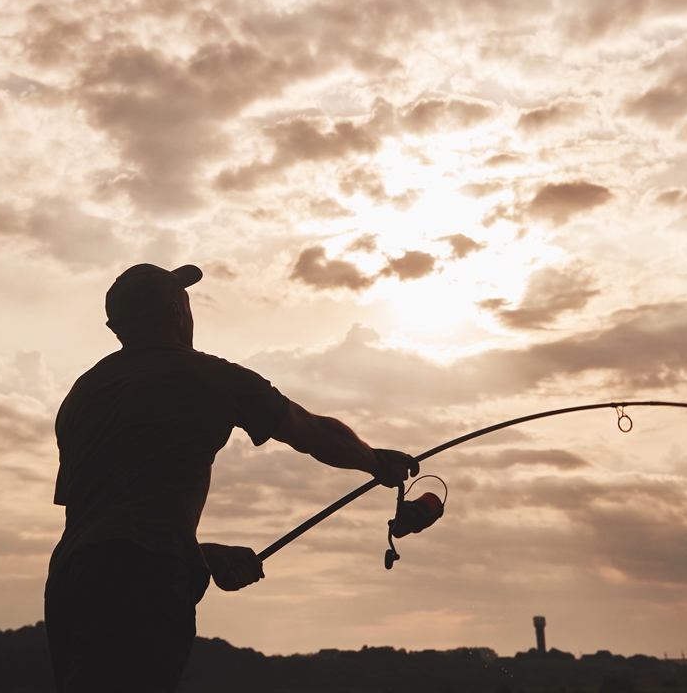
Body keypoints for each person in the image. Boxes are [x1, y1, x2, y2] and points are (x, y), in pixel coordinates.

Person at [44, 262, 419, 692]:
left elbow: (105, 524)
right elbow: (308, 430)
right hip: (144, 581)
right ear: (176, 312)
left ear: (118, 327)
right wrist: (376, 461)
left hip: (69, 582)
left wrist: (199, 556)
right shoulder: (209, 376)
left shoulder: (83, 393)